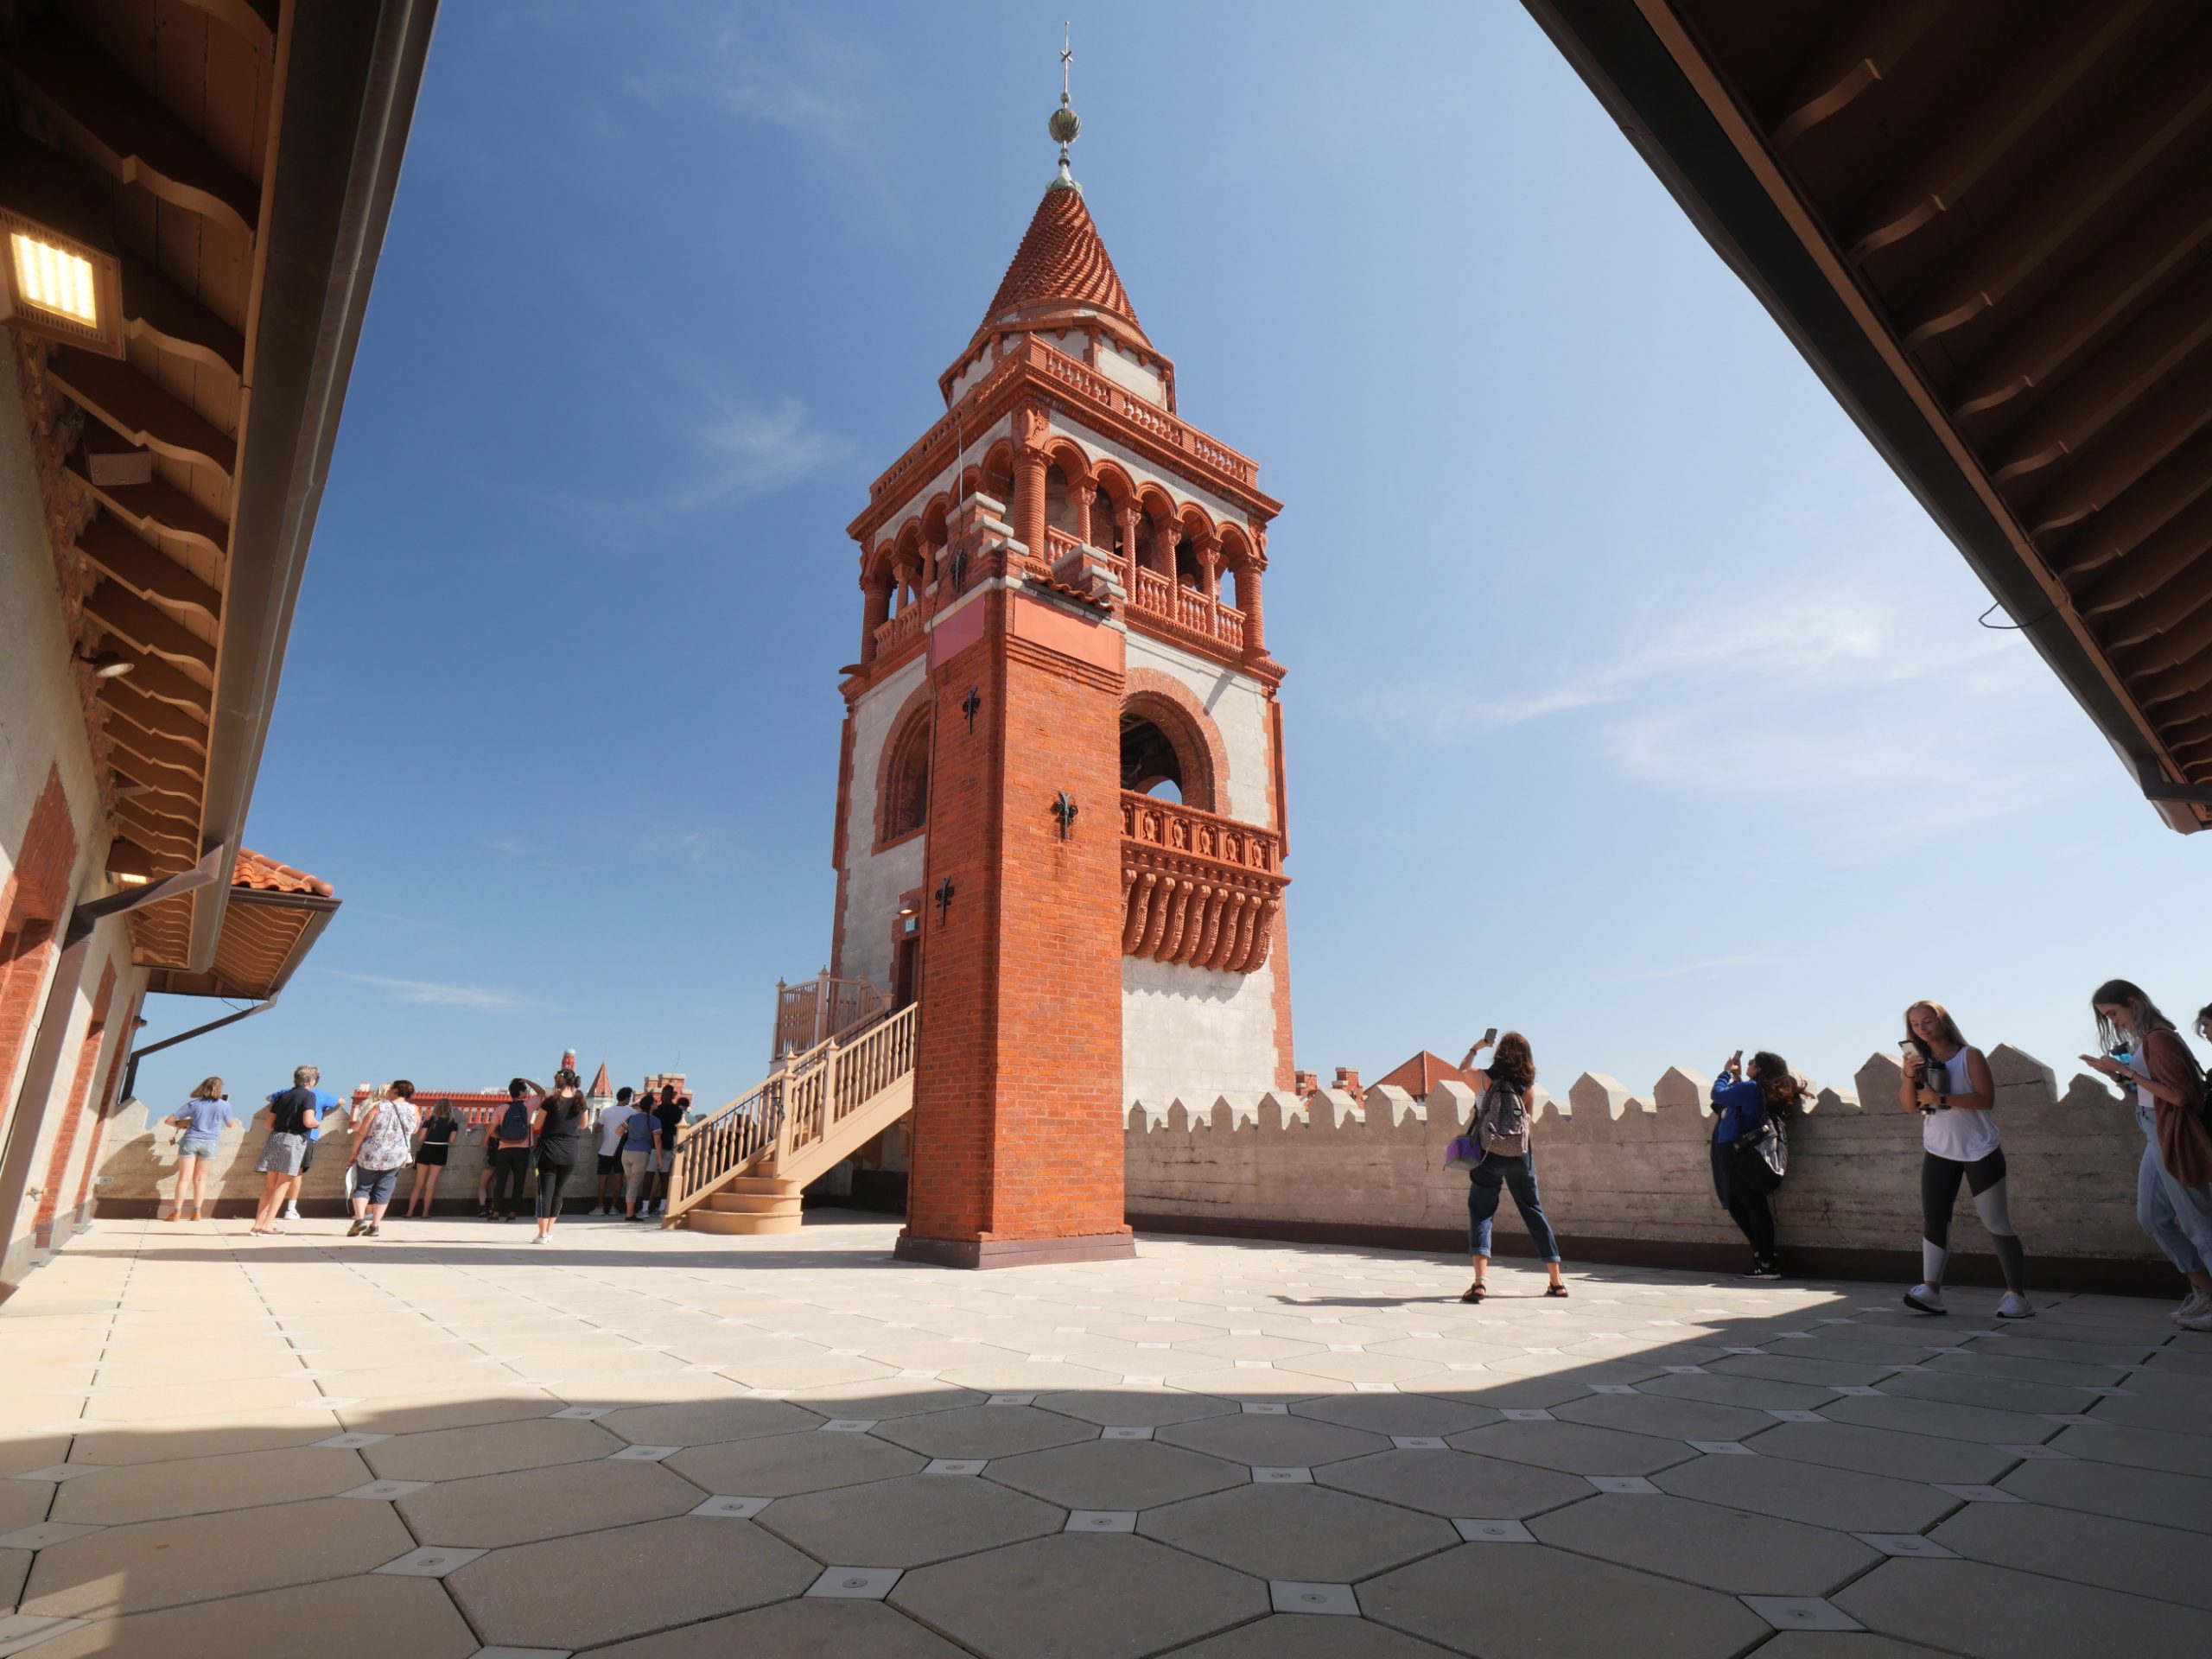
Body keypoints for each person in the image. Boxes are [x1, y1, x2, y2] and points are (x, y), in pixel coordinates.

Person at [2079, 982, 2212, 1332]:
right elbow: (2148, 1093)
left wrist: (2127, 1072)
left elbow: (2181, 1097)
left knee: (2198, 1224)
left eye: (2114, 1014)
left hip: (2172, 1132)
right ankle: (2205, 1292)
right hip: (2153, 1128)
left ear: (2133, 1003)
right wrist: (2118, 1078)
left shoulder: (2159, 1038)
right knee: (2153, 1217)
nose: (2115, 1022)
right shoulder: (2146, 1040)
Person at [1898, 1000, 2032, 1319]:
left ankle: (2017, 1296)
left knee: (1996, 1221)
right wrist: (1907, 1077)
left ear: (1942, 1020)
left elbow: (1986, 1100)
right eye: (1915, 1024)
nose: (1922, 1029)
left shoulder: (1969, 1055)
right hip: (1938, 1149)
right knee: (1935, 1217)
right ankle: (1931, 1289)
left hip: (1979, 1149)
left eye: (1927, 1021)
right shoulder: (1918, 1060)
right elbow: (1908, 1106)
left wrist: (1941, 1097)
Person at [1454, 1032, 1567, 1303]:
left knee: (1482, 1213)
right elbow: (1528, 1122)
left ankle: (1480, 1283)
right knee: (1533, 1212)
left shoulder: (1483, 1078)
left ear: (1499, 1052)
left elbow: (1461, 1071)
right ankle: (1556, 1281)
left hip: (1488, 1154)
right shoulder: (1527, 1086)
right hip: (1520, 1155)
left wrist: (1475, 1047)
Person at [1709, 1052, 1805, 1279]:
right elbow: (1735, 1102)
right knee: (1740, 1204)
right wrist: (1738, 1078)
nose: (1749, 1064)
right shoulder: (1755, 1089)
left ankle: (1766, 1262)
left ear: (1760, 1069)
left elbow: (1716, 1094)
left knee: (1751, 1205)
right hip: (1743, 1150)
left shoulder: (1752, 1088)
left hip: (1736, 1149)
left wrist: (1725, 1072)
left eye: (1752, 1063)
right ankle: (1763, 1256)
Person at [251, 1065, 322, 1235]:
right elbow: (308, 1121)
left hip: (275, 1138)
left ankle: (257, 1224)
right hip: (294, 1140)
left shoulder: (283, 1096)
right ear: (312, 1081)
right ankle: (268, 1225)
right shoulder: (309, 1096)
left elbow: (269, 1124)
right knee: (283, 1185)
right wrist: (317, 1123)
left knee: (269, 1185)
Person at [346, 1081, 419, 1238]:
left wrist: (354, 1152)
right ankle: (375, 1225)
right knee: (384, 1189)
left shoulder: (378, 1107)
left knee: (363, 1186)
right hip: (396, 1156)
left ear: (394, 1090)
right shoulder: (414, 1110)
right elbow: (415, 1130)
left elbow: (361, 1132)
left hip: (371, 1153)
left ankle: (359, 1219)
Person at [270, 1074, 343, 1222]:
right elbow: (341, 1101)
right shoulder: (319, 1094)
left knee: (275, 1174)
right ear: (313, 1081)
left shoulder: (286, 1092)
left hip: (279, 1135)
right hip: (306, 1136)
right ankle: (290, 1209)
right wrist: (321, 1115)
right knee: (296, 1173)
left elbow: (269, 1098)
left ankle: (268, 1209)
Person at [531, 1069, 589, 1243]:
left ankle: (541, 1233)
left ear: (558, 1081)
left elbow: (537, 1126)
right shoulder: (581, 1102)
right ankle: (549, 1231)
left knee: (545, 1192)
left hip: (548, 1149)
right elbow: (584, 1125)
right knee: (558, 1191)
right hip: (570, 1150)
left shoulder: (550, 1102)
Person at [165, 1077, 234, 1222]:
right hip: (210, 1143)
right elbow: (230, 1124)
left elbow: (169, 1121)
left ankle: (176, 1213)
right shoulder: (225, 1105)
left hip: (191, 1140)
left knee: (184, 1178)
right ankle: (197, 1212)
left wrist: (185, 1123)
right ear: (220, 1089)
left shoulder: (194, 1104)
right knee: (200, 1179)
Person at [487, 1079, 536, 1221]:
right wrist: (528, 1081)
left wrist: (503, 1138)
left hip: (504, 1149)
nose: (527, 1092)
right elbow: (542, 1093)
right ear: (521, 1093)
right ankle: (513, 1212)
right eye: (525, 1090)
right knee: (518, 1182)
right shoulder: (528, 1106)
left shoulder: (501, 1108)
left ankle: (496, 1212)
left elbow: (491, 1131)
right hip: (523, 1149)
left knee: (500, 1181)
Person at [404, 1100, 457, 1217]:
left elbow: (421, 1137)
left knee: (418, 1183)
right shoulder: (452, 1122)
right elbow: (452, 1141)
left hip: (427, 1148)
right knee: (431, 1183)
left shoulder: (430, 1120)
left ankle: (409, 1212)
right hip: (441, 1150)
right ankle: (425, 1212)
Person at [591, 1086, 637, 1215]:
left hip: (605, 1150)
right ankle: (613, 1207)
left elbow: (597, 1129)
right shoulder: (633, 1113)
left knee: (603, 1180)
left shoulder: (606, 1111)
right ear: (628, 1098)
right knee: (618, 1179)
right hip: (622, 1151)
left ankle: (600, 1207)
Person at [620, 1098, 662, 1221]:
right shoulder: (655, 1120)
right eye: (654, 1102)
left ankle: (629, 1211)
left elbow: (618, 1131)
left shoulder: (632, 1118)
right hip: (641, 1154)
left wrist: (631, 1137)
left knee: (630, 1184)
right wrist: (659, 1158)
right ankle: (629, 1215)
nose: (656, 1103)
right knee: (633, 1185)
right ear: (650, 1106)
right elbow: (657, 1141)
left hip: (626, 1152)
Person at [645, 1085, 684, 1217]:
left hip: (655, 1146)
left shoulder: (658, 1111)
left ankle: (645, 1207)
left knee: (650, 1175)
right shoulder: (678, 1112)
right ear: (673, 1096)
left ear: (662, 1095)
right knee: (664, 1177)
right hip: (669, 1145)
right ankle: (663, 1206)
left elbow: (651, 1128)